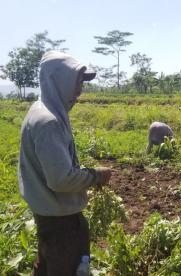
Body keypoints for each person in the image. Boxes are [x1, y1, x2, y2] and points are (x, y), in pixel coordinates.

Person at [18, 51, 112, 275]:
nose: (80, 89)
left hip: (52, 218)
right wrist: (96, 175)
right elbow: (61, 179)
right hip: (62, 224)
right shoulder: (48, 122)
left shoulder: (43, 111)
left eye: (82, 82)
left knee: (47, 266)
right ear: (58, 79)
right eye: (76, 80)